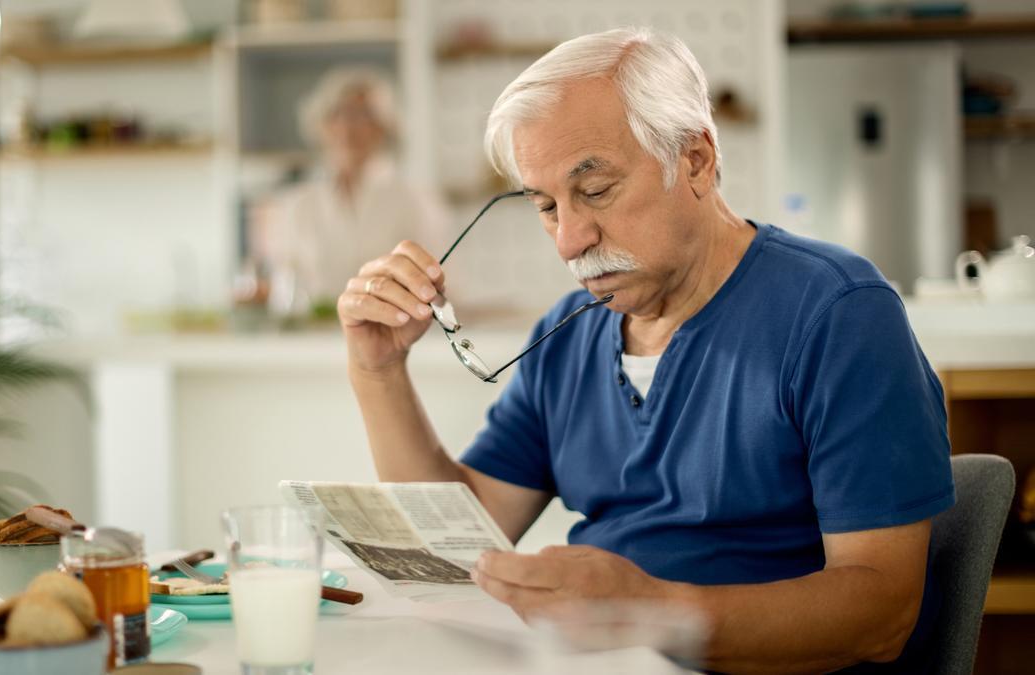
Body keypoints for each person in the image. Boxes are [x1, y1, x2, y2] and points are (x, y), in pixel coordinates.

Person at [335, 26, 954, 673]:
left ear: (696, 161)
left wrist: (658, 611)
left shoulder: (837, 311)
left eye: (596, 190)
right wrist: (376, 369)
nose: (570, 239)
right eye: (545, 206)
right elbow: (451, 549)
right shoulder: (568, 332)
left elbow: (883, 612)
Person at [262, 67, 447, 313]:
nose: (350, 126)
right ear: (322, 124)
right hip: (313, 342)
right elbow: (282, 285)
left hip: (393, 335)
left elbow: (443, 285)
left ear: (385, 127)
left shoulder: (416, 201)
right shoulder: (297, 204)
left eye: (364, 115)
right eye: (340, 113)